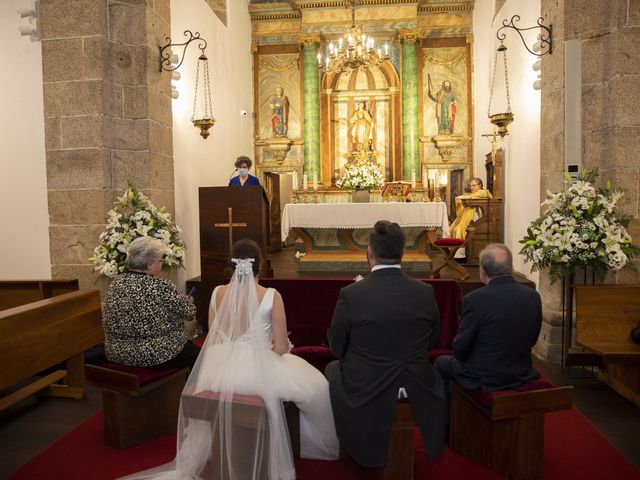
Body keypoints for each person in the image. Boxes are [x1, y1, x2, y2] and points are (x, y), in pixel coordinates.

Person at [122, 239, 338, 480]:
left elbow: (213, 340)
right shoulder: (271, 296)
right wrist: (279, 347)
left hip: (219, 370)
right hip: (256, 373)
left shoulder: (216, 293)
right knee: (316, 387)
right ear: (260, 267)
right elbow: (280, 348)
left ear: (232, 266)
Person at [325, 220, 445, 468]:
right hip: (417, 381)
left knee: (332, 369)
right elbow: (431, 340)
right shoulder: (425, 292)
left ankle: (355, 446)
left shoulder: (351, 294)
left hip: (367, 383)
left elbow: (336, 346)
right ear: (402, 252)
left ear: (369, 252)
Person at [434, 244, 542, 397]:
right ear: (511, 268)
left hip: (484, 377)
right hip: (521, 370)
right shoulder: (532, 295)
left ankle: (447, 418)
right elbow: (532, 339)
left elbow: (460, 349)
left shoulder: (474, 300)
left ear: (482, 271)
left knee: (440, 362)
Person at [102, 236, 200, 369]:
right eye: (160, 261)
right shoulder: (160, 285)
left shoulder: (116, 283)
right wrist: (187, 302)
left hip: (117, 353)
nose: (161, 264)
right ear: (149, 264)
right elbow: (189, 313)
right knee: (201, 357)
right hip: (155, 354)